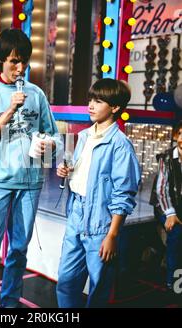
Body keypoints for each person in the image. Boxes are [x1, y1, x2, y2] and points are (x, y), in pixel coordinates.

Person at [0, 28, 61, 308]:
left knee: (18, 249)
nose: (20, 68)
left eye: (24, 62)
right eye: (13, 61)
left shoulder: (36, 94)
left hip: (30, 182)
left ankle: (9, 303)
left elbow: (52, 134)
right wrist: (8, 111)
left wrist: (49, 146)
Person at [56, 78, 141, 308]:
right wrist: (66, 170)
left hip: (101, 223)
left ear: (114, 107)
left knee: (99, 289)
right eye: (90, 100)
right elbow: (82, 171)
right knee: (65, 281)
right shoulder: (84, 136)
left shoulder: (121, 145)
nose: (91, 105)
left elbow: (124, 194)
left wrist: (112, 235)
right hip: (76, 213)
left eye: (98, 101)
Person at [155, 120, 182, 290]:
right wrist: (171, 214)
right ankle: (174, 282)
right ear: (176, 136)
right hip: (166, 205)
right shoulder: (166, 158)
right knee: (177, 235)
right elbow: (162, 191)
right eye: (181, 134)